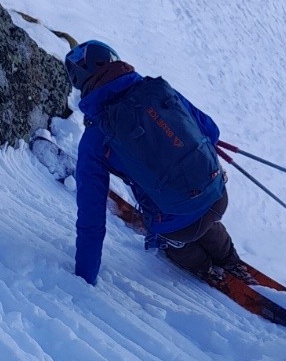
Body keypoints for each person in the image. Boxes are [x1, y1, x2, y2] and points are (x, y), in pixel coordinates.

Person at [65, 40, 244, 286]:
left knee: (175, 235)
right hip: (217, 195)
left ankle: (204, 267)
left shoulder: (95, 138)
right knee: (202, 213)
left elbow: (92, 219)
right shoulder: (156, 89)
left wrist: (84, 277)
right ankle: (230, 259)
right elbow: (211, 131)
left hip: (176, 225)